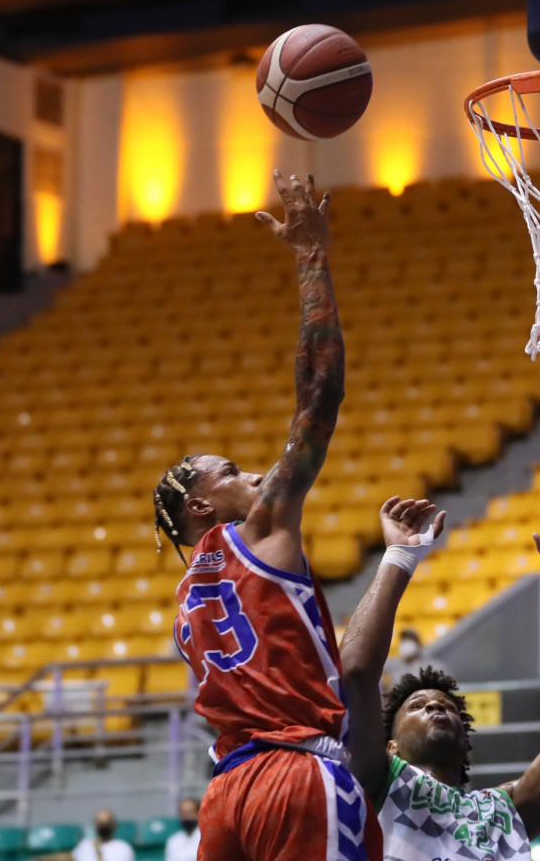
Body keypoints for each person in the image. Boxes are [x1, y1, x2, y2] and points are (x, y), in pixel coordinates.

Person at [151, 171, 378, 861]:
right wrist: (311, 257)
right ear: (200, 505)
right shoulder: (261, 530)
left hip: (226, 795)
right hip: (296, 774)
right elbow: (320, 393)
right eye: (230, 472)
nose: (251, 474)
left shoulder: (185, 598)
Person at [340, 492, 540, 861]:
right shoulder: (374, 781)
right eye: (418, 705)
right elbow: (355, 670)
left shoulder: (504, 810)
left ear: (467, 746)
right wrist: (398, 557)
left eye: (446, 706)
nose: (435, 707)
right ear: (390, 746)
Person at [379, 626, 445, 689]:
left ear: (418, 643)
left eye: (410, 639)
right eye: (404, 640)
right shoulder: (396, 664)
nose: (406, 644)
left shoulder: (432, 666)